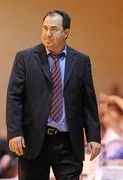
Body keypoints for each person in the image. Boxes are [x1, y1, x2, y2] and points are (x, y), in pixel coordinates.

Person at [6, 9, 101, 180]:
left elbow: (88, 101)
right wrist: (14, 132)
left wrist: (93, 136)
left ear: (66, 33)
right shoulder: (25, 58)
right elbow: (14, 97)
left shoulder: (81, 61)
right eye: (45, 28)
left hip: (68, 142)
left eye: (54, 29)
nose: (48, 34)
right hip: (33, 140)